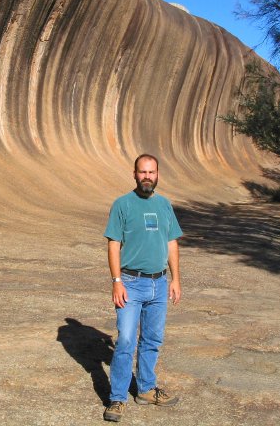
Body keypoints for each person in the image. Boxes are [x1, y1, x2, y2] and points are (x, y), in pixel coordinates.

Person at [102, 153, 183, 422]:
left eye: (151, 172)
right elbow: (113, 244)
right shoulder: (122, 204)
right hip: (131, 284)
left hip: (159, 283)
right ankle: (117, 398)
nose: (147, 176)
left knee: (152, 339)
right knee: (125, 340)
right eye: (142, 172)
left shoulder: (165, 205)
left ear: (158, 174)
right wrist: (116, 282)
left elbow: (172, 243)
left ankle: (146, 389)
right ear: (134, 174)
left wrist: (176, 279)